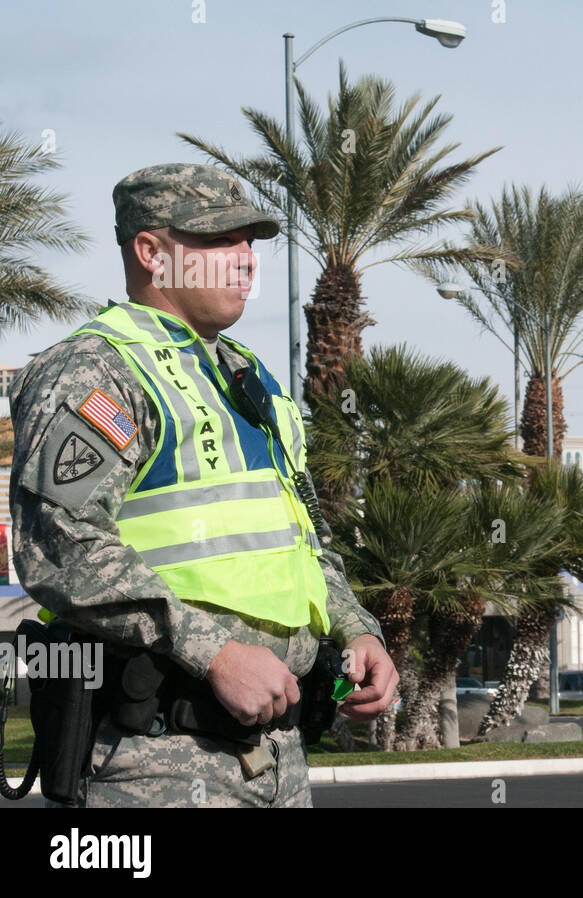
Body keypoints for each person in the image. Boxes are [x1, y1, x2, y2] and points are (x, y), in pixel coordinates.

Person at [9, 163, 398, 807]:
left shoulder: (248, 380)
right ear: (152, 253)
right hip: (153, 761)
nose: (245, 260)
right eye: (219, 241)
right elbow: (61, 546)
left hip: (280, 756)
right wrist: (216, 653)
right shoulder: (95, 369)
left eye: (250, 242)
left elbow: (302, 538)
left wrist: (356, 631)